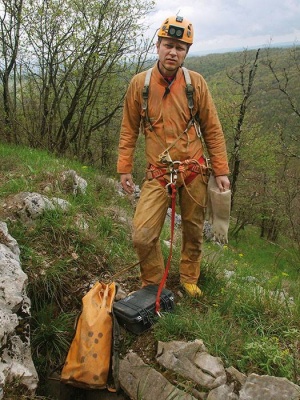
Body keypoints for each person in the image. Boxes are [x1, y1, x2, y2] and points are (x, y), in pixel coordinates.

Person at [117, 15, 230, 297]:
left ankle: (190, 277)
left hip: (194, 170)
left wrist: (221, 170)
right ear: (157, 46)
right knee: (142, 234)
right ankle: (154, 282)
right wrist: (124, 168)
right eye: (168, 45)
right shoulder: (139, 85)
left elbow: (212, 130)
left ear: (186, 53)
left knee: (193, 230)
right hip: (157, 173)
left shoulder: (196, 84)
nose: (173, 52)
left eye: (180, 48)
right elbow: (129, 129)